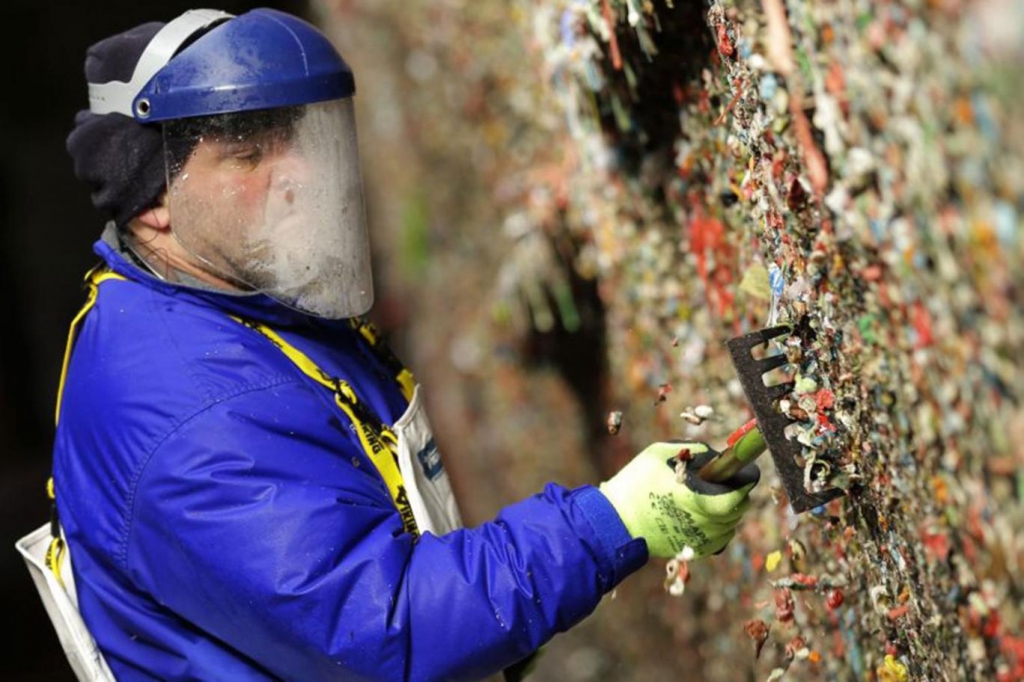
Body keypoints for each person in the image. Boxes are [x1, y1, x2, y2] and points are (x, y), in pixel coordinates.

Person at [28, 8, 760, 681]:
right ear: (152, 201)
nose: (301, 175)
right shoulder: (195, 415)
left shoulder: (240, 311)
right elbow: (384, 629)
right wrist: (609, 526)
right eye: (249, 154)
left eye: (300, 138)